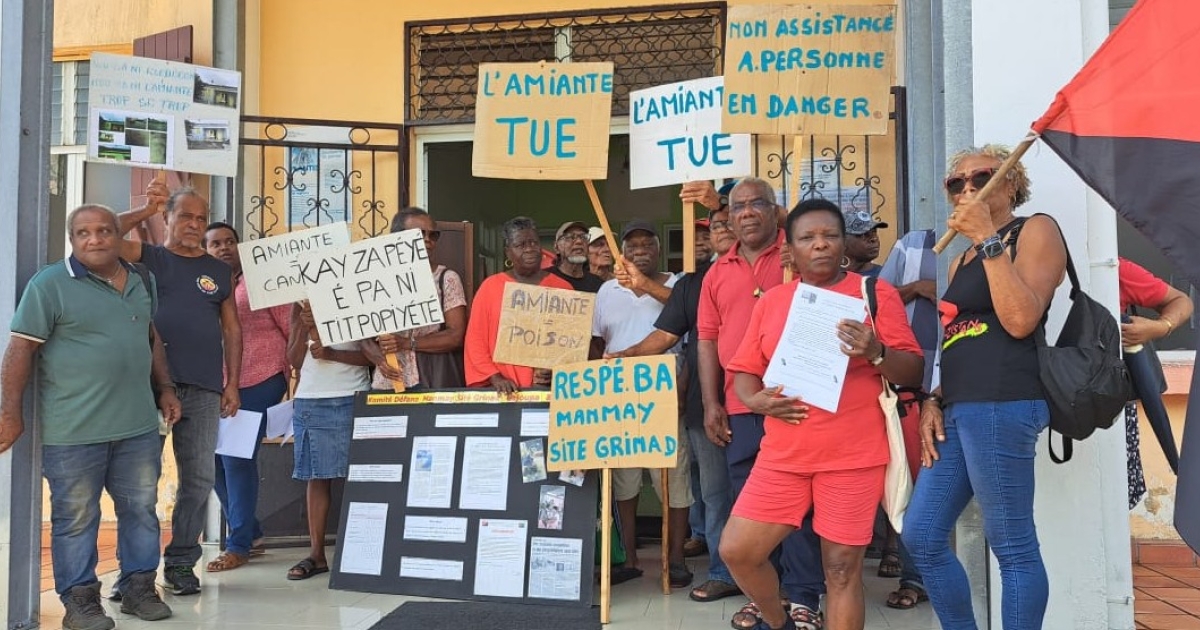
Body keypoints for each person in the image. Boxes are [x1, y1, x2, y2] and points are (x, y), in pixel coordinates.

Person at [720, 199, 923, 630]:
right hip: (784, 454)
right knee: (738, 550)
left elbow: (913, 369)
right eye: (807, 238)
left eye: (829, 236)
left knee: (842, 570)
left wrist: (875, 351)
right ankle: (781, 623)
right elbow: (744, 372)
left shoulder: (874, 293)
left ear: (844, 242)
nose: (820, 246)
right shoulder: (773, 301)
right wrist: (754, 401)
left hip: (854, 455)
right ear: (789, 249)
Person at [903, 144, 1068, 630]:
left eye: (983, 177)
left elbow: (1020, 320)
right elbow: (955, 340)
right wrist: (934, 399)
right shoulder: (960, 261)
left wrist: (990, 239)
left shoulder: (1034, 230)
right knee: (924, 536)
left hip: (1003, 401)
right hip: (958, 408)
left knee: (1012, 546)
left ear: (1011, 183)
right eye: (957, 182)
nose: (969, 187)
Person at [1, 204, 179, 629]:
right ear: (72, 239)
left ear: (119, 236)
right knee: (77, 518)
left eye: (103, 230)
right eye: (83, 233)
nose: (94, 239)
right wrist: (9, 413)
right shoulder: (50, 284)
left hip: (136, 426)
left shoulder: (141, 280)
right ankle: (80, 604)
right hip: (73, 432)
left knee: (140, 509)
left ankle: (138, 589)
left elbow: (150, 336)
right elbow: (20, 349)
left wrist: (166, 387)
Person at [697, 178, 827, 630]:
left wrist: (802, 266)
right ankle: (762, 596)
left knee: (800, 508)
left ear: (776, 212)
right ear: (728, 217)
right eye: (738, 207)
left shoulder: (796, 260)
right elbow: (708, 342)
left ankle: (804, 596)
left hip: (793, 403)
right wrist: (712, 402)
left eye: (758, 204)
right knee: (752, 506)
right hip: (738, 407)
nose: (748, 213)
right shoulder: (716, 272)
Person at [609, 182, 741, 603]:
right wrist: (624, 357)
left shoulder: (768, 266)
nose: (717, 232)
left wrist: (717, 200)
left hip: (759, 401)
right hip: (707, 404)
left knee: (756, 490)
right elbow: (666, 334)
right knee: (717, 493)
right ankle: (724, 570)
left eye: (725, 224)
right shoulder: (695, 283)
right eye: (712, 226)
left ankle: (780, 572)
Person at [117, 186, 242, 596]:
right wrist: (145, 209)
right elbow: (105, 233)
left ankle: (181, 563)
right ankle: (133, 574)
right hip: (147, 386)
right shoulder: (150, 257)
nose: (193, 224)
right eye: (185, 216)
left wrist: (233, 383)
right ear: (167, 219)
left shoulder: (218, 272)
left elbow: (232, 329)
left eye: (200, 218)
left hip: (204, 388)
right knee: (140, 484)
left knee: (199, 479)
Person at [592, 219, 694, 589]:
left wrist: (644, 284)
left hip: (665, 393)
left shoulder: (678, 284)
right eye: (632, 246)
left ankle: (676, 559)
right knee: (624, 482)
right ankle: (630, 558)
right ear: (622, 251)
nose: (640, 251)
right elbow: (596, 344)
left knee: (672, 478)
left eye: (647, 245)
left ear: (658, 249)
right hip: (619, 398)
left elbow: (688, 322)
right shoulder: (606, 292)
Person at [202, 222, 291, 572]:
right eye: (215, 244)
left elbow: (289, 326)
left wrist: (287, 375)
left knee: (236, 458)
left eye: (229, 242)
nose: (224, 248)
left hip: (261, 376)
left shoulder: (261, 280)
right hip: (217, 382)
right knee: (211, 464)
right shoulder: (204, 285)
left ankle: (238, 545)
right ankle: (251, 532)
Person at [875, 228, 940, 609]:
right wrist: (917, 287)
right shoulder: (913, 243)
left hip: (963, 382)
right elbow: (876, 302)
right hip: (910, 390)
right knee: (910, 485)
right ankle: (913, 578)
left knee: (934, 490)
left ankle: (924, 577)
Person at [286, 302, 372, 580]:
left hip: (353, 393)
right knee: (316, 476)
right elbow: (295, 359)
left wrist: (333, 353)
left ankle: (363, 552)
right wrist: (305, 325)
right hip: (311, 397)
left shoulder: (357, 295)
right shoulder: (299, 305)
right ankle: (317, 554)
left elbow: (373, 356)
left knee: (361, 478)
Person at [362, 208, 468, 391]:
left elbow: (456, 336)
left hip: (432, 379)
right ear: (397, 238)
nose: (428, 240)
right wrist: (380, 359)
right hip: (389, 383)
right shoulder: (378, 280)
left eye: (433, 235)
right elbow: (362, 333)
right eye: (419, 234)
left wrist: (406, 343)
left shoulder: (446, 279)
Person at [464, 216, 572, 393]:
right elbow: (475, 341)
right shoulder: (490, 288)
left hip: (553, 391)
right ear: (508, 252)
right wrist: (495, 377)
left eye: (533, 243)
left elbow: (571, 344)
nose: (529, 249)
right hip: (503, 392)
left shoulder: (563, 288)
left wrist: (558, 372)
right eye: (520, 245)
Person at [1117, 257, 1192, 507]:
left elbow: (1181, 301)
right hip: (1050, 401)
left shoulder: (1112, 267)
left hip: (1111, 405)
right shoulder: (1022, 264)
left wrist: (1161, 327)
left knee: (1113, 501)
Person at [547, 221, 606, 292]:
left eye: (584, 237)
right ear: (556, 247)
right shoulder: (544, 278)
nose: (579, 241)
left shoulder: (599, 285)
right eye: (570, 237)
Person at [842, 210, 888, 278]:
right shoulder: (829, 277)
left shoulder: (885, 276)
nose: (874, 238)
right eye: (864, 234)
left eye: (874, 232)